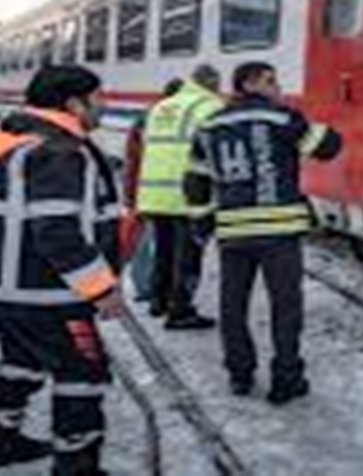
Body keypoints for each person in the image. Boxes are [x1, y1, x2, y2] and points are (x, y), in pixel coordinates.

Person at [0, 65, 124, 475]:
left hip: (7, 286)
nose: (104, 105)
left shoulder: (17, 134)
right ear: (74, 103)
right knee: (83, 372)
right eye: (99, 97)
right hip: (45, 291)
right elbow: (58, 233)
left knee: (22, 359)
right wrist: (100, 289)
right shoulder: (59, 152)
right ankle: (76, 466)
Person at [184, 62, 341, 405]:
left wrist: (202, 223)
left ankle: (240, 375)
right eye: (271, 80)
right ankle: (287, 379)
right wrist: (307, 119)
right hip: (279, 231)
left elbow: (195, 182)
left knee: (233, 306)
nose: (278, 86)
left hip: (233, 230)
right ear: (250, 83)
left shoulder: (208, 126)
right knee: (285, 307)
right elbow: (328, 147)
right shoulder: (283, 118)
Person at [135, 65, 224, 329]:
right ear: (211, 83)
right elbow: (215, 151)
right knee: (188, 256)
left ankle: (158, 302)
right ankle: (180, 311)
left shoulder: (163, 106)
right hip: (187, 194)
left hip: (154, 192)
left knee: (164, 252)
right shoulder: (209, 106)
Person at [120, 77, 183, 305]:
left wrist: (129, 191)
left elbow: (131, 160)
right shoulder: (163, 120)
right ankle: (152, 289)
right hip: (162, 193)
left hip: (147, 190)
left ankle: (147, 288)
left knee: (149, 241)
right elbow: (135, 159)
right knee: (156, 243)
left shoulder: (147, 118)